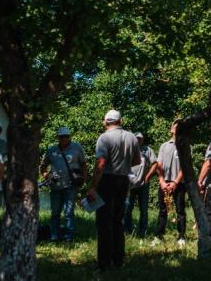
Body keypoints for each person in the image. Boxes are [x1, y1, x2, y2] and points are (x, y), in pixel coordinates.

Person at [86, 110, 140, 270]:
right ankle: (118, 260)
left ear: (105, 122)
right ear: (120, 120)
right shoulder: (132, 137)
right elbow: (137, 160)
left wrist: (92, 186)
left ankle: (104, 264)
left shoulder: (104, 138)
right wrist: (124, 165)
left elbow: (101, 163)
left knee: (104, 222)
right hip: (123, 180)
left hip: (107, 180)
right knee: (118, 221)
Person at [41, 127, 86, 242]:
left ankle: (69, 236)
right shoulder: (52, 150)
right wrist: (46, 175)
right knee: (55, 213)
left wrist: (83, 179)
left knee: (68, 212)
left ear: (69, 137)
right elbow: (43, 165)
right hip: (55, 186)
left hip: (71, 185)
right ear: (58, 138)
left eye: (66, 136)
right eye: (61, 137)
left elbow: (83, 165)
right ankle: (54, 236)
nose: (64, 139)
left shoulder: (77, 148)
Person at [154, 120, 186, 245]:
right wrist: (161, 181)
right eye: (175, 125)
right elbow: (159, 165)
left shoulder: (184, 145)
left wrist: (175, 183)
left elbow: (185, 167)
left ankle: (181, 236)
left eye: (180, 125)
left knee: (180, 210)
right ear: (171, 129)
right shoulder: (164, 146)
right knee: (163, 210)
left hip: (179, 183)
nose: (177, 127)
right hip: (165, 182)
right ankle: (158, 236)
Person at [124, 133, 157, 238]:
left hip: (143, 184)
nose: (138, 140)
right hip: (130, 184)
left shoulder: (148, 150)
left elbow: (155, 163)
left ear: (142, 140)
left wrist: (148, 176)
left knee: (143, 209)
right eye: (136, 138)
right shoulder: (128, 149)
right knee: (127, 208)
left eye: (140, 139)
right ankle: (127, 230)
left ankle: (143, 231)